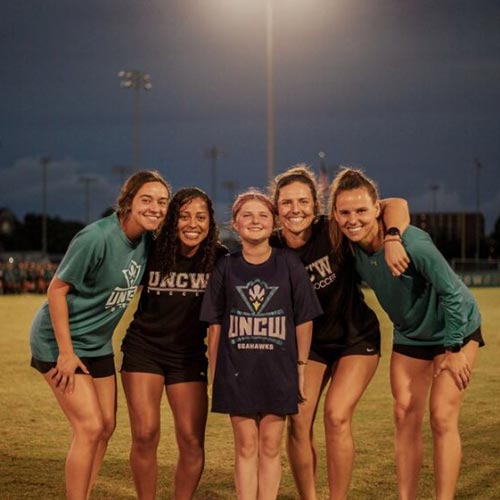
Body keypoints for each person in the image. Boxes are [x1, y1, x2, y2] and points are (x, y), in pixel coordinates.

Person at [329, 167, 484, 500]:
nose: (353, 219)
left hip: (454, 330)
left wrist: (455, 348)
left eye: (361, 211)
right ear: (335, 215)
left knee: (442, 415)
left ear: (376, 209)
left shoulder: (412, 242)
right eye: (345, 212)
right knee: (403, 414)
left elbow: (454, 294)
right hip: (411, 334)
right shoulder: (347, 242)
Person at [269, 164, 410, 500]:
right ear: (276, 208)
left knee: (336, 416)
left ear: (317, 206)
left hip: (354, 338)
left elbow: (396, 204)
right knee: (298, 423)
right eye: (287, 203)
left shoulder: (331, 230)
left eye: (303, 201)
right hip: (310, 346)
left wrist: (392, 237)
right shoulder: (271, 246)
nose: (295, 210)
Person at [29, 170, 171, 500]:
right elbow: (56, 290)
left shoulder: (148, 240)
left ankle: (85, 492)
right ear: (128, 202)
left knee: (106, 426)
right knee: (90, 427)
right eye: (146, 200)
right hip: (58, 341)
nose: (155, 207)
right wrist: (65, 352)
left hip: (96, 343)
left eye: (162, 202)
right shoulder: (97, 238)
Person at [200, 190, 323, 500]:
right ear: (236, 224)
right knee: (245, 446)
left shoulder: (289, 263)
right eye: (248, 216)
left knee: (270, 446)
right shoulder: (226, 267)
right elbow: (215, 327)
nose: (255, 221)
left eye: (263, 215)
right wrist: (216, 375)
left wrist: (300, 368)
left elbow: (304, 319)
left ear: (274, 223)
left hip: (278, 369)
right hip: (237, 371)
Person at [120, 187, 227, 500]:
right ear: (172, 220)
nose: (192, 224)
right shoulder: (152, 249)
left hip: (188, 357)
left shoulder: (220, 259)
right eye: (184, 216)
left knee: (192, 441)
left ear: (210, 223)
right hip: (144, 350)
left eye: (200, 217)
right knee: (145, 432)